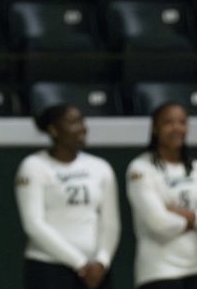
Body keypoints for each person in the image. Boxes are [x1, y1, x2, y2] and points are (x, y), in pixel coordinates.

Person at [14, 103, 121, 289]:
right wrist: (79, 263)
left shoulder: (100, 167)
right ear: (53, 130)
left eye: (82, 121)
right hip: (49, 267)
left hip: (96, 272)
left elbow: (111, 223)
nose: (82, 128)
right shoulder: (33, 166)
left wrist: (102, 261)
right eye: (73, 122)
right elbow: (33, 225)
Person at [126, 101, 197, 289]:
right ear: (155, 129)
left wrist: (183, 214)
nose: (177, 128)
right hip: (158, 271)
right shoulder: (140, 169)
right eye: (168, 123)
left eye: (182, 122)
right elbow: (158, 224)